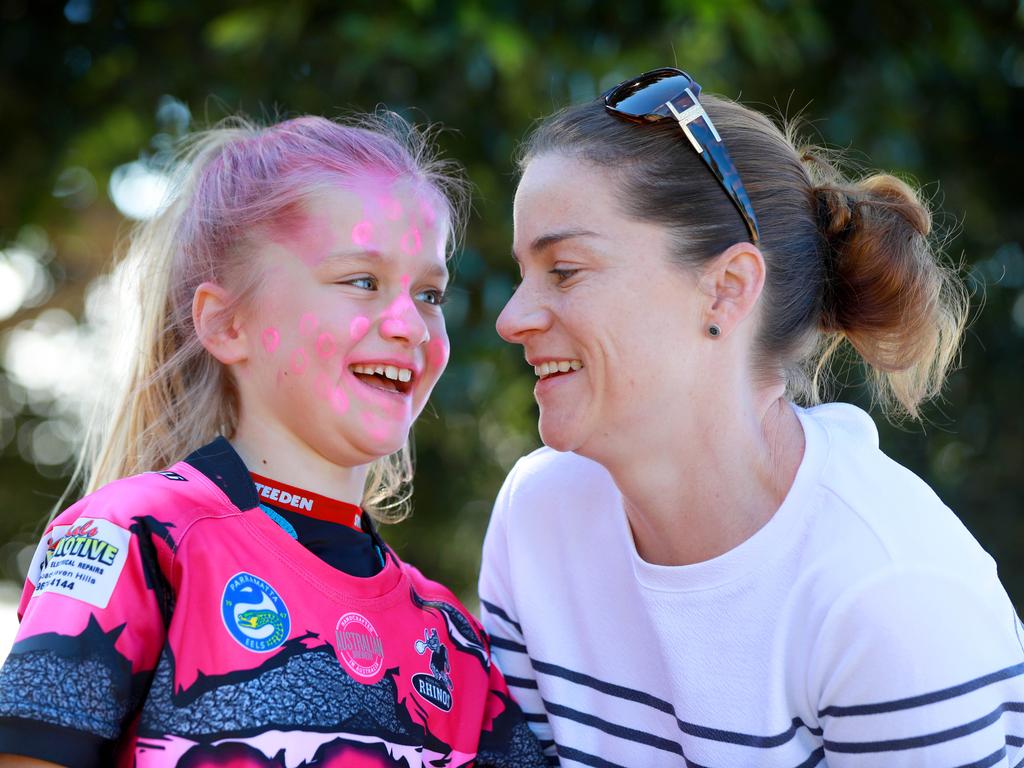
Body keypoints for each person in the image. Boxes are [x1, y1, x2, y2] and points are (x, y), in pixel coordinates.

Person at [479, 67, 1024, 767]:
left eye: (566, 270)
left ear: (726, 290)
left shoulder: (887, 597)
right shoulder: (538, 517)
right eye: (523, 273)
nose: (511, 318)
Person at [0, 114, 545, 768]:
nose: (411, 326)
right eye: (362, 281)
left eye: (429, 293)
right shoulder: (130, 538)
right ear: (227, 324)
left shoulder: (450, 638)